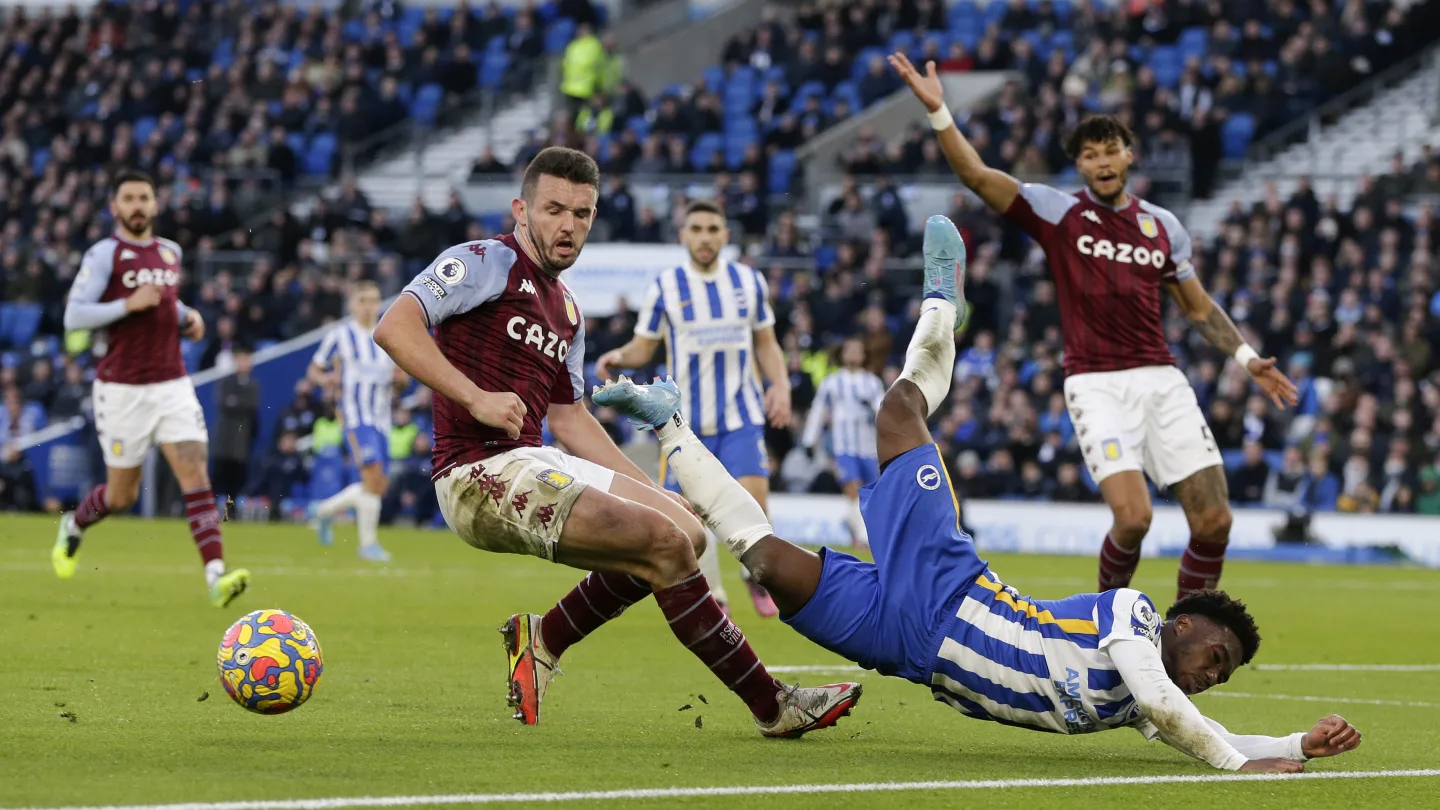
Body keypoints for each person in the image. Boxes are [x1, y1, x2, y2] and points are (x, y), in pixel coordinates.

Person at [596, 216, 1361, 773]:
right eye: (1215, 658)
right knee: (898, 412)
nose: (1208, 677)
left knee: (762, 559)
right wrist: (1239, 769)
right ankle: (940, 302)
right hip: (952, 592)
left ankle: (667, 426)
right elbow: (1180, 713)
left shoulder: (1142, 701)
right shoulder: (1132, 620)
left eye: (1219, 677)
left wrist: (1295, 746)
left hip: (907, 650)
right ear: (1183, 624)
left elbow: (1191, 721)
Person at [372, 146, 858, 734]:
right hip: (477, 473)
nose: (568, 225)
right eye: (554, 209)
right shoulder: (482, 261)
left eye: (583, 213)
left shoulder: (568, 310)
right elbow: (394, 326)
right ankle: (772, 704)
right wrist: (475, 397)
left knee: (685, 527)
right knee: (664, 544)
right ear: (520, 210)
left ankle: (542, 639)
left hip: (534, 457)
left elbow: (571, 419)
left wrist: (650, 491)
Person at [889, 53, 1299, 601]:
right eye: (1090, 154)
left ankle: (1188, 631)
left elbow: (1198, 308)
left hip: (1161, 380)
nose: (1103, 162)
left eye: (1111, 151)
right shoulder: (1058, 213)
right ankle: (1108, 630)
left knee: (1215, 522)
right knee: (1133, 519)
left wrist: (1249, 360)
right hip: (1095, 383)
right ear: (1079, 165)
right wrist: (941, 113)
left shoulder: (1162, 227)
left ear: (1129, 156)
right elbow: (977, 176)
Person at [53, 169, 250, 608]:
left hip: (172, 383)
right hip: (122, 390)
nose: (137, 205)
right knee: (121, 495)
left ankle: (216, 576)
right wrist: (127, 304)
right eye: (129, 198)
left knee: (195, 473)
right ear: (115, 207)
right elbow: (74, 317)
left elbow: (165, 300)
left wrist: (187, 317)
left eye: (144, 197)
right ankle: (74, 526)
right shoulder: (105, 254)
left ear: (155, 204)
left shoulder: (169, 252)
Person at [594, 199, 791, 618]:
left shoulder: (748, 282)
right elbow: (645, 345)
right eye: (696, 229)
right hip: (683, 422)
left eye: (712, 228)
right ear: (684, 236)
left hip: (741, 415)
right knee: (689, 515)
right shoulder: (666, 286)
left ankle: (756, 577)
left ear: (725, 235)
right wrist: (618, 358)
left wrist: (781, 386)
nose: (704, 236)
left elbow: (766, 344)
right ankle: (714, 596)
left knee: (754, 498)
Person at [307, 280, 399, 562]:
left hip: (383, 419)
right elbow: (314, 369)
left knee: (378, 484)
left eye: (373, 300)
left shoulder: (389, 333)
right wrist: (325, 379)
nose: (368, 306)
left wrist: (401, 380)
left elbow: (400, 378)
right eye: (362, 300)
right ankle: (367, 545)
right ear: (352, 304)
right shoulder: (341, 334)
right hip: (355, 416)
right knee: (371, 476)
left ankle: (322, 511)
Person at [801, 336, 886, 544]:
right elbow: (818, 411)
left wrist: (873, 410)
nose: (853, 354)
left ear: (864, 355)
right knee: (852, 487)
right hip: (844, 447)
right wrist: (809, 440)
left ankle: (853, 523)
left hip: (869, 448)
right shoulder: (832, 383)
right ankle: (862, 537)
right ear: (842, 354)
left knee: (870, 493)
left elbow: (884, 413)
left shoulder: (872, 383)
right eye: (849, 350)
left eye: (857, 350)